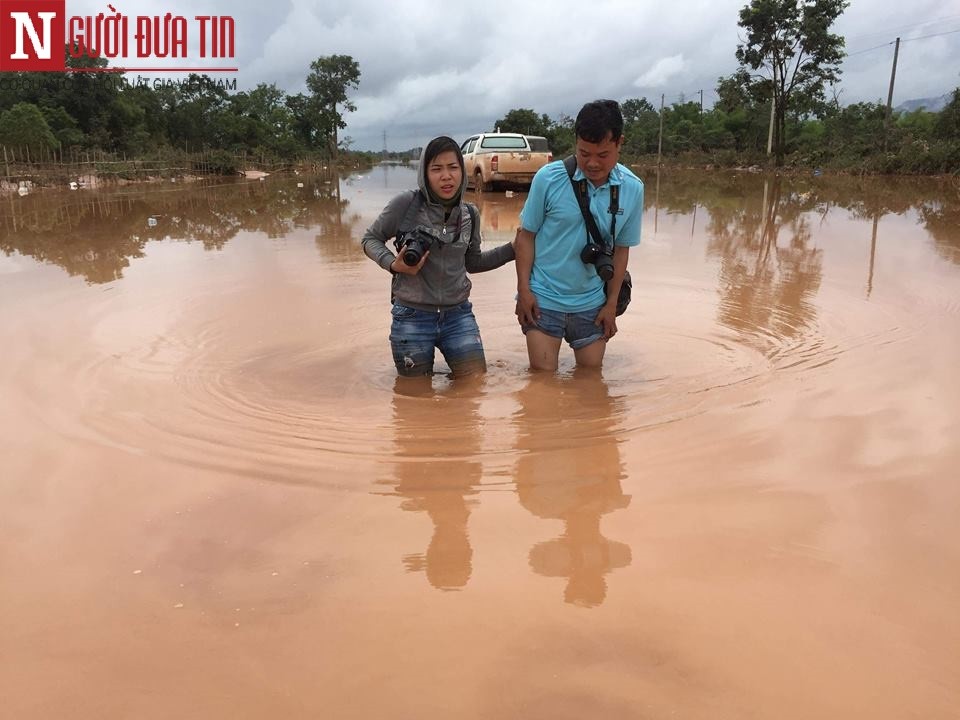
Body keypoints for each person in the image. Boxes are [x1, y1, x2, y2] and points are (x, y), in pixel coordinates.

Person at [362, 136, 515, 377]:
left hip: (458, 316)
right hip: (411, 316)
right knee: (415, 397)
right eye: (437, 169)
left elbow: (473, 263)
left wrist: (514, 249)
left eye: (453, 167)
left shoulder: (470, 214)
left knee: (474, 386)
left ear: (462, 172)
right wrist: (393, 264)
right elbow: (370, 239)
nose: (446, 176)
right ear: (424, 173)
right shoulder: (406, 204)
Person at [514, 100, 644, 372]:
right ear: (575, 143)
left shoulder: (633, 189)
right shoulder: (548, 179)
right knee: (541, 384)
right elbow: (525, 237)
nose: (593, 163)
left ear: (620, 143)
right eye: (584, 153)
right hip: (543, 300)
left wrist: (610, 305)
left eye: (603, 154)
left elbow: (622, 250)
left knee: (590, 384)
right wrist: (523, 290)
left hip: (593, 305)